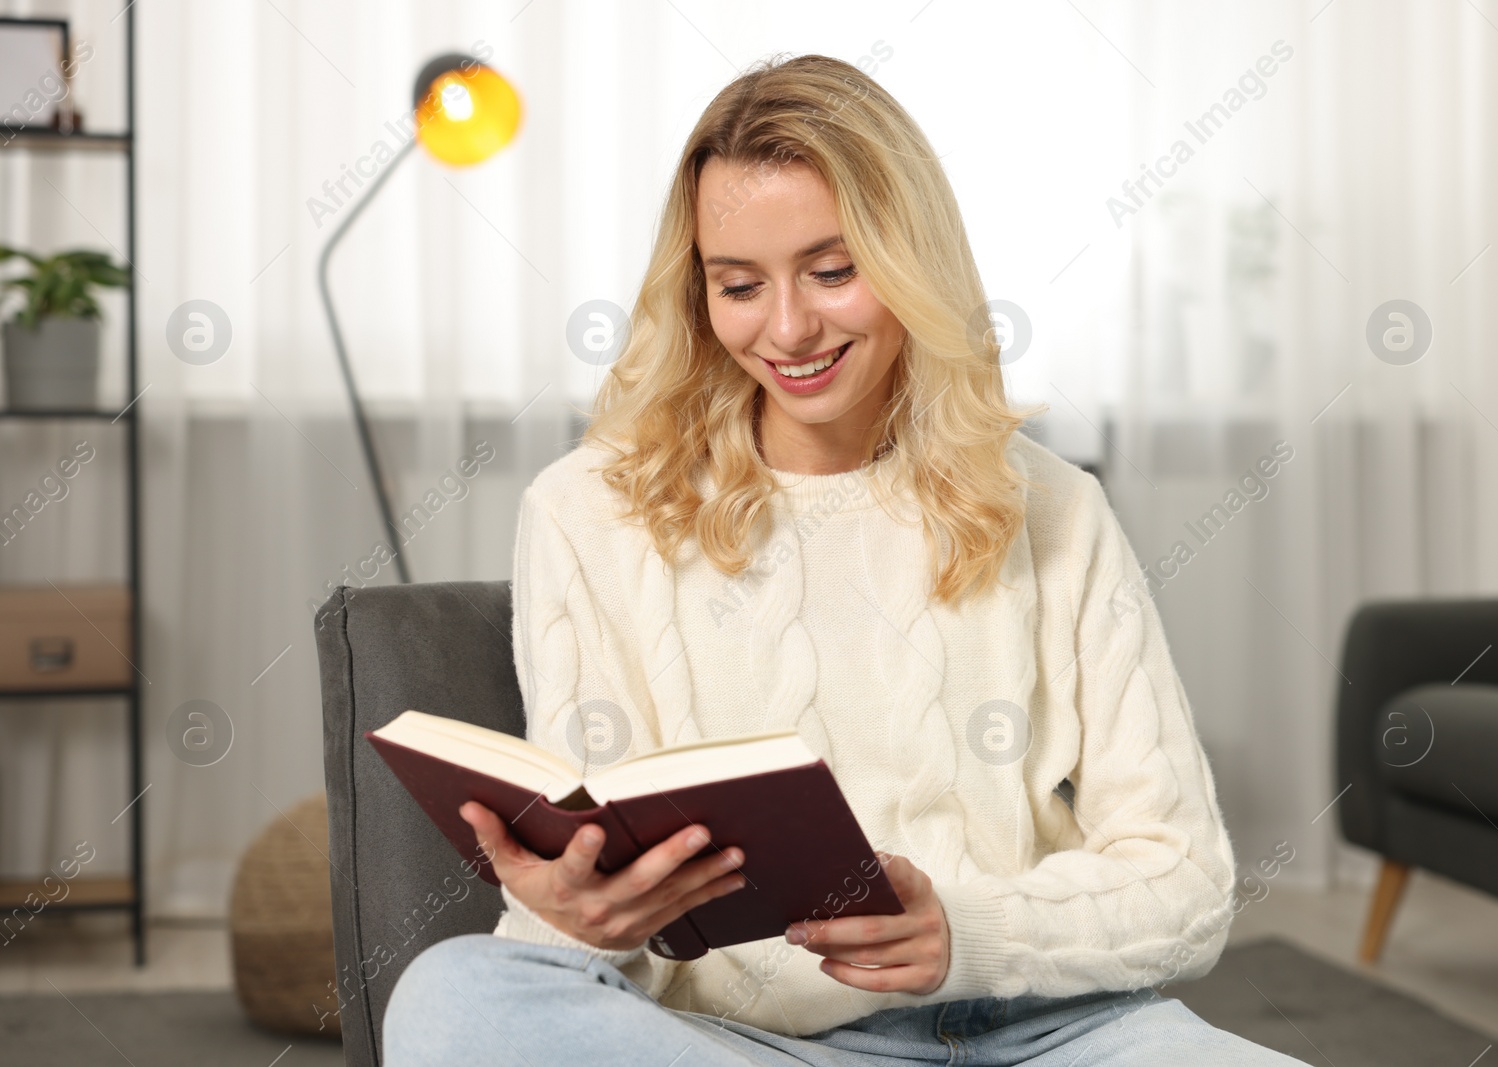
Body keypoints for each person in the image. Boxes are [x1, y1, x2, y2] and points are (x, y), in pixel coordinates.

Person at [384, 52, 1308, 1066]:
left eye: (833, 271)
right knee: (455, 997)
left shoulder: (1052, 507)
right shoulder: (585, 511)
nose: (786, 328)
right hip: (741, 1042)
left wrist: (963, 931)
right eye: (738, 284)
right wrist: (575, 914)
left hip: (1046, 1038)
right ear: (698, 293)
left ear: (911, 259)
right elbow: (606, 921)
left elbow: (1183, 885)